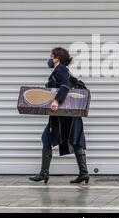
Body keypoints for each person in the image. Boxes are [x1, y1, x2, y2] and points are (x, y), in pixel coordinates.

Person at [29, 47, 89, 184]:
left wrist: (56, 100)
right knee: (74, 139)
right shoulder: (63, 69)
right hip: (69, 113)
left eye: (51, 56)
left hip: (63, 114)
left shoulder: (60, 69)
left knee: (46, 137)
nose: (50, 59)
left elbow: (65, 85)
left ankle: (44, 173)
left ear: (57, 58)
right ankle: (84, 173)